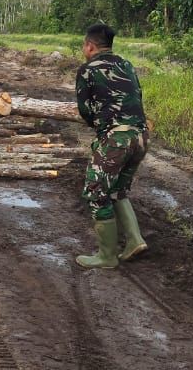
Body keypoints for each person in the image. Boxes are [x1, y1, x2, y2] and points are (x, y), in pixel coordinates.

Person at [74, 23, 149, 269]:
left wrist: (99, 121)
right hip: (140, 136)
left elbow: (85, 111)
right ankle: (135, 240)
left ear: (89, 45)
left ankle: (106, 256)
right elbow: (137, 96)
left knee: (95, 191)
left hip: (116, 139)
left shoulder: (87, 70)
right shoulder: (126, 65)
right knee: (116, 190)